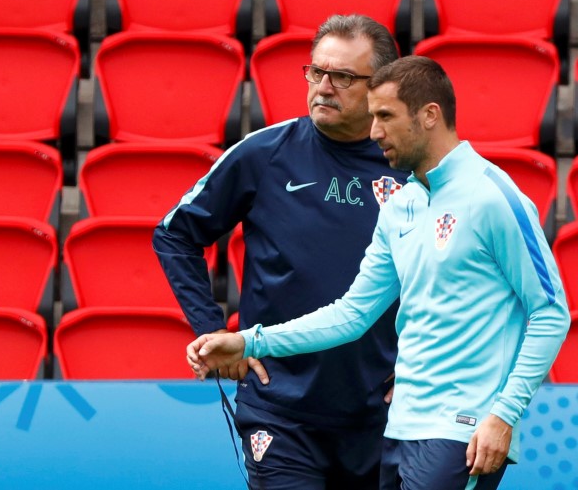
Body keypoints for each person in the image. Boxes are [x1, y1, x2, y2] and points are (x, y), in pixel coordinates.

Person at [186, 55, 572, 490]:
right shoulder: (401, 205)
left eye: (385, 116)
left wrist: (503, 415)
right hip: (398, 428)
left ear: (429, 116)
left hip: (463, 430)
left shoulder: (494, 197)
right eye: (372, 117)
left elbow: (550, 313)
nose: (373, 133)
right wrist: (248, 340)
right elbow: (351, 314)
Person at [153, 14, 408, 489]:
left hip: (385, 415)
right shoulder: (263, 152)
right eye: (316, 72)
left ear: (383, 87)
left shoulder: (412, 169)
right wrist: (213, 331)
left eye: (344, 78)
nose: (324, 87)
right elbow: (174, 234)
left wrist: (421, 366)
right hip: (280, 409)